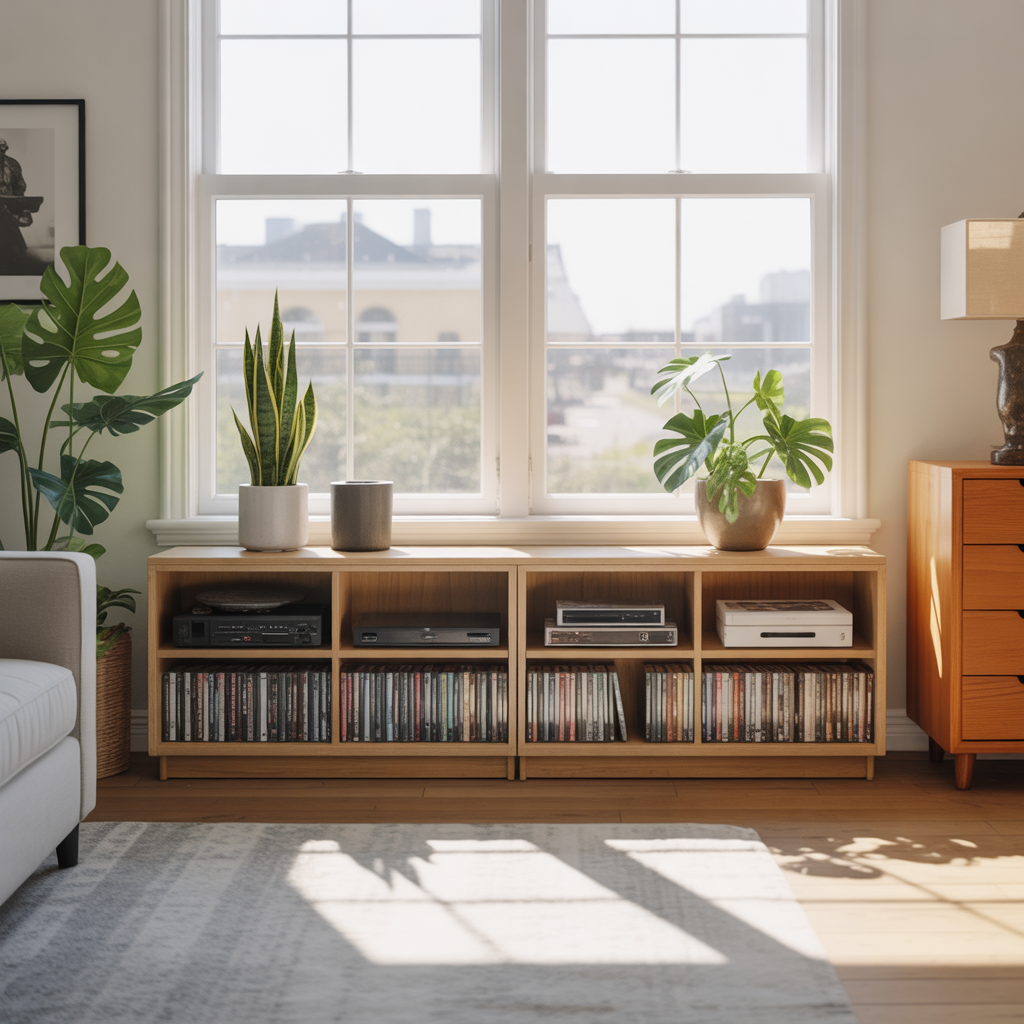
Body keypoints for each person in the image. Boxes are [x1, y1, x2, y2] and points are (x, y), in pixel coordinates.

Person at [0, 137, 46, 276]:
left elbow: (19, 186)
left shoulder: (12, 164)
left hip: (7, 207)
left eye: (2, 149)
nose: (1, 152)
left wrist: (20, 206)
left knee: (11, 243)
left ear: (5, 149)